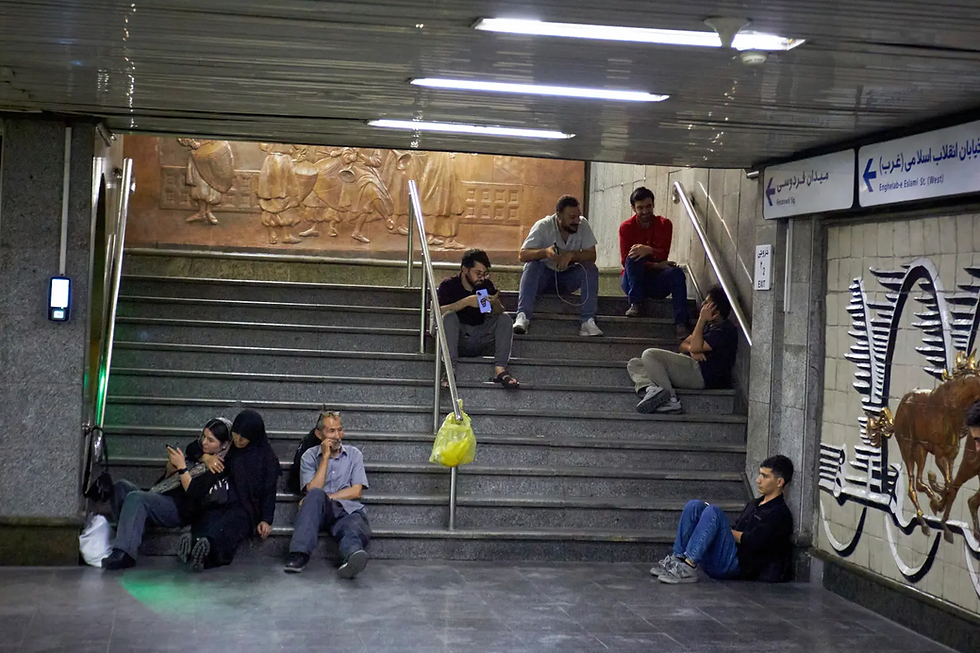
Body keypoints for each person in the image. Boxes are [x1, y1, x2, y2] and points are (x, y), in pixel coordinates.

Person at [101, 418, 232, 570]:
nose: (204, 442)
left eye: (211, 440)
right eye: (204, 436)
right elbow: (191, 449)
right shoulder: (200, 453)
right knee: (120, 487)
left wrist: (183, 468)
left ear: (224, 445)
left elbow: (194, 493)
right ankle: (130, 533)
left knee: (136, 498)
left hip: (180, 508)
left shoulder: (219, 468)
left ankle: (125, 553)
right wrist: (171, 470)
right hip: (164, 494)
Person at [652, 455, 795, 584]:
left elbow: (753, 541)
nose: (758, 480)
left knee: (713, 512)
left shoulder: (779, 513)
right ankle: (677, 561)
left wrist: (723, 529)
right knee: (694, 506)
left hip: (739, 565)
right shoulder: (755, 504)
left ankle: (688, 567)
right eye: (759, 474)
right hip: (727, 554)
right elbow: (737, 528)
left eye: (765, 476)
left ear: (779, 482)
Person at [182, 409, 281, 572]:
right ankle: (193, 544)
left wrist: (266, 519)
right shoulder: (230, 448)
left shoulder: (267, 458)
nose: (238, 440)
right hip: (222, 499)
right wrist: (206, 458)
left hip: (246, 507)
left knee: (228, 526)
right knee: (208, 516)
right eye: (235, 434)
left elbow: (269, 491)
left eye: (243, 437)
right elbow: (193, 447)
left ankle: (204, 552)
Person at [284, 411, 371, 578]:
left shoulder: (354, 455)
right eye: (331, 431)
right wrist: (325, 457)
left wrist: (328, 498)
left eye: (340, 430)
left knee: (353, 524)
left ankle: (352, 558)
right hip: (318, 510)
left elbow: (356, 491)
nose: (337, 436)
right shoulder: (309, 456)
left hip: (345, 509)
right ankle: (298, 555)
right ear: (319, 434)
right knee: (315, 494)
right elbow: (313, 489)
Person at [627, 285, 737, 414]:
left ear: (716, 311)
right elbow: (684, 344)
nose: (702, 305)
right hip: (690, 366)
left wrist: (701, 321)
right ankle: (653, 389)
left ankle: (671, 400)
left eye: (706, 303)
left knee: (649, 354)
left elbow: (695, 345)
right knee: (635, 363)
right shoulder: (710, 326)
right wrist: (693, 350)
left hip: (702, 375)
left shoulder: (725, 330)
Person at [514, 195, 602, 337]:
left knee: (590, 268)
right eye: (571, 217)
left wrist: (571, 255)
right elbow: (522, 255)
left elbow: (592, 255)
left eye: (578, 217)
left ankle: (588, 321)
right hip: (543, 278)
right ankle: (523, 316)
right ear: (559, 216)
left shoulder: (582, 224)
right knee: (532, 265)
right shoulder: (543, 226)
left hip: (567, 278)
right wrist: (545, 253)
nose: (576, 221)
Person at [437, 249, 519, 389]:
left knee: (505, 319)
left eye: (484, 273)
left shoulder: (485, 285)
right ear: (464, 269)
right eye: (478, 273)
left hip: (481, 335)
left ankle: (500, 369)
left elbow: (498, 312)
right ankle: (449, 369)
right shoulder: (449, 285)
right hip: (458, 337)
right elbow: (438, 313)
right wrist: (466, 302)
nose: (481, 277)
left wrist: (495, 303)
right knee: (449, 317)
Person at [618, 187, 690, 337]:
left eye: (648, 206)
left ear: (653, 205)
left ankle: (681, 323)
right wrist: (655, 264)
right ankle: (635, 303)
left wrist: (649, 250)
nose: (645, 211)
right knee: (634, 255)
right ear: (633, 208)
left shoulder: (665, 224)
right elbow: (625, 261)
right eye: (640, 208)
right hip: (632, 281)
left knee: (676, 273)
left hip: (656, 281)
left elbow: (663, 253)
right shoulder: (626, 228)